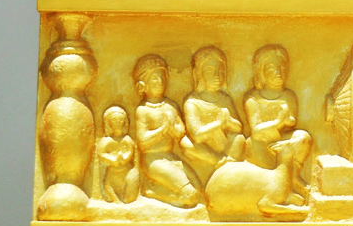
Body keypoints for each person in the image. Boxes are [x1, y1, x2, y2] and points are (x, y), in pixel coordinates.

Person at [243, 45, 311, 204]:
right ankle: (276, 187)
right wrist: (278, 122)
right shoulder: (252, 97)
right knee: (253, 142)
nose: (278, 72)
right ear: (260, 72)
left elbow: (292, 122)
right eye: (272, 68)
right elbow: (256, 131)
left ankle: (293, 175)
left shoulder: (288, 96)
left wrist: (287, 121)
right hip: (261, 146)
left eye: (282, 67)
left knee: (304, 137)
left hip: (281, 143)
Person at [133, 53, 201, 208]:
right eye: (154, 78)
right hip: (153, 160)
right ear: (143, 85)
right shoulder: (143, 110)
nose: (160, 81)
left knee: (200, 190)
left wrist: (174, 129)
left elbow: (180, 132)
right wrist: (164, 129)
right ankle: (152, 193)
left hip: (170, 157)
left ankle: (157, 191)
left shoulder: (170, 105)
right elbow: (142, 142)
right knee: (190, 196)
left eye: (162, 77)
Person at [183, 46, 245, 185]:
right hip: (205, 150)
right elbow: (196, 135)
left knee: (239, 139)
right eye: (210, 71)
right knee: (186, 144)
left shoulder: (225, 99)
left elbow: (239, 128)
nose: (216, 76)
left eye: (220, 71)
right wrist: (218, 124)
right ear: (198, 74)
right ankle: (221, 162)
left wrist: (228, 122)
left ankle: (231, 167)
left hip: (223, 143)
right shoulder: (192, 101)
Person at [97, 105, 139, 204]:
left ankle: (127, 200)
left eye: (120, 120)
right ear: (108, 123)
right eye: (114, 120)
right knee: (107, 185)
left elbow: (130, 152)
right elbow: (101, 153)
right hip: (112, 172)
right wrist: (112, 159)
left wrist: (123, 158)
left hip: (127, 172)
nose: (118, 123)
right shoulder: (106, 141)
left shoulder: (127, 139)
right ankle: (116, 201)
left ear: (125, 122)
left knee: (130, 198)